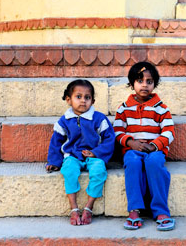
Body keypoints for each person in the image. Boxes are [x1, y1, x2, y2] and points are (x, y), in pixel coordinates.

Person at [114, 62, 176, 231]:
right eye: (140, 80)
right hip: (133, 150)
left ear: (154, 84)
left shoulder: (161, 108)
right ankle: (134, 210)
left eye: (149, 81)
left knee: (154, 163)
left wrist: (155, 146)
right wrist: (131, 143)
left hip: (155, 151)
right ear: (132, 83)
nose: (144, 85)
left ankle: (161, 211)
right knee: (132, 163)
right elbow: (117, 131)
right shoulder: (124, 108)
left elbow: (169, 131)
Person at [46, 79, 115, 225]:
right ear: (68, 100)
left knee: (99, 172)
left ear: (93, 100)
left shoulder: (99, 118)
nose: (83, 101)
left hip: (93, 155)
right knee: (69, 171)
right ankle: (74, 208)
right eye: (78, 97)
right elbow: (55, 142)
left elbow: (109, 139)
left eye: (87, 97)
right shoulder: (64, 121)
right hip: (72, 155)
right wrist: (54, 162)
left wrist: (96, 152)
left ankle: (89, 207)